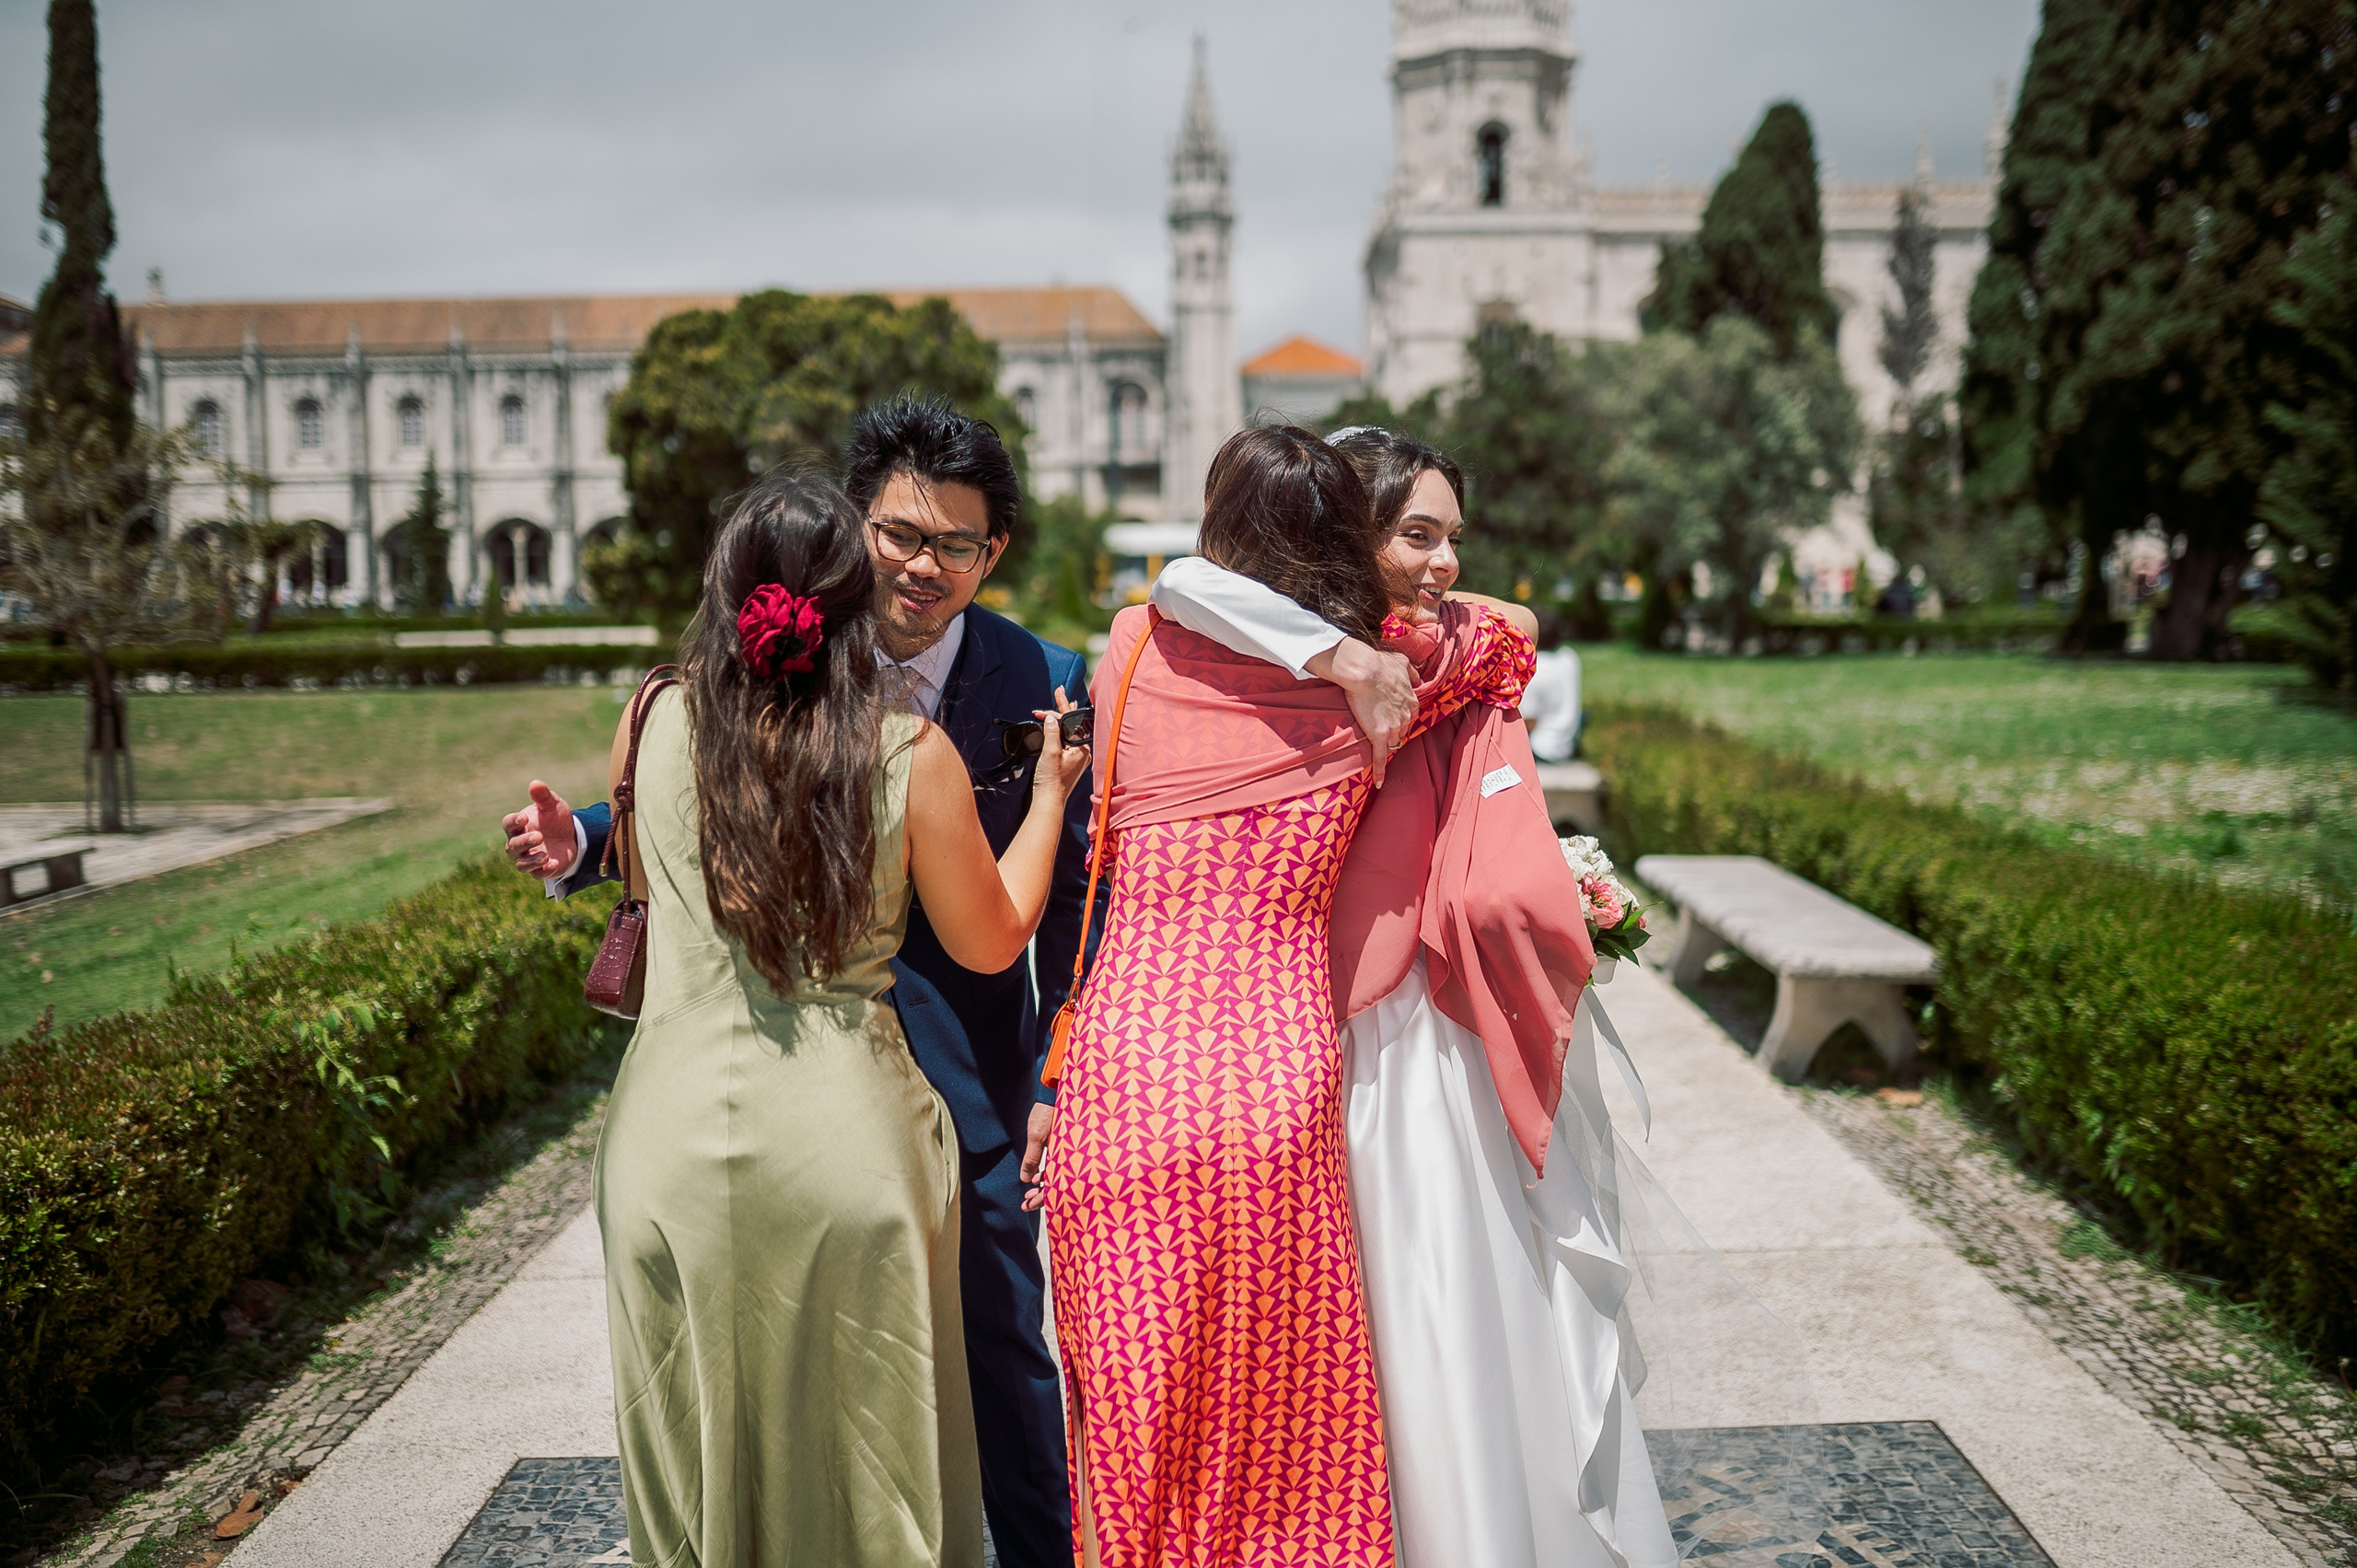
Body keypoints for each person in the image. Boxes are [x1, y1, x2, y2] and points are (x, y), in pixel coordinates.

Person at [503, 396, 1418, 1567]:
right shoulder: (759, 672)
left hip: (973, 1070)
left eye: (952, 543)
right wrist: (582, 844)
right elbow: (707, 784)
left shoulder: (1046, 673)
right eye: (895, 533)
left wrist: (1054, 1073)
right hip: (811, 1072)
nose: (918, 566)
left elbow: (1092, 892)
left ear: (992, 554)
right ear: (856, 526)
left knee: (1005, 1356)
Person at [1144, 427, 1679, 1568]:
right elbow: (1180, 580)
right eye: (1415, 532)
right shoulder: (1322, 654)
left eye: (1451, 537)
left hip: (1400, 1029)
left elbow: (1519, 625)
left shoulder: (1429, 651)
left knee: (1439, 1300)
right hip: (1307, 1034)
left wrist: (1399, 604)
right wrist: (1342, 651)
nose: (1439, 562)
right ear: (1348, 532)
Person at [1033, 425, 1536, 1567]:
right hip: (1272, 1073)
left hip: (1123, 1069)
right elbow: (1520, 634)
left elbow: (1174, 584)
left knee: (1131, 1412)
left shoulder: (1128, 653)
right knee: (1282, 1424)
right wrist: (1351, 647)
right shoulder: (1400, 672)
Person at [595, 470, 1089, 1565]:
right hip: (847, 1142)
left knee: (701, 1444)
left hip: (662, 1140)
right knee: (872, 1467)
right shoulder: (907, 752)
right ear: (852, 592)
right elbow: (993, 936)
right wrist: (1049, 792)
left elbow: (647, 883)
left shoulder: (649, 719)